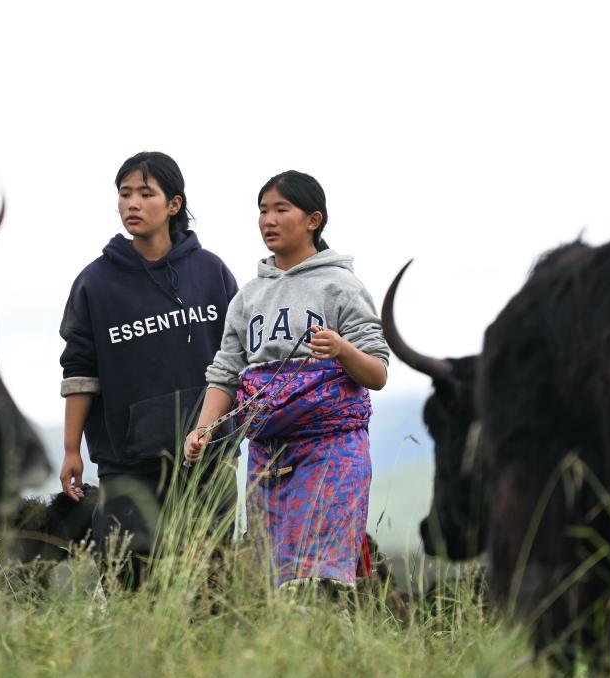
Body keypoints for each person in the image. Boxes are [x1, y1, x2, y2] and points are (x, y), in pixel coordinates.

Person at [184, 170, 389, 592]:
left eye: (281, 209)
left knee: (323, 581)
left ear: (313, 220)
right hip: (268, 456)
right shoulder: (248, 297)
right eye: (263, 210)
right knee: (275, 582)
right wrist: (203, 428)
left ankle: (334, 648)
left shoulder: (342, 287)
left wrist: (341, 350)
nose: (268, 220)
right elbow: (225, 373)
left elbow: (378, 372)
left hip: (333, 451)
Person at [59, 151, 238, 587]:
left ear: (173, 204)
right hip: (127, 464)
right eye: (125, 194)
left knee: (207, 585)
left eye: (145, 193)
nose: (132, 204)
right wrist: (70, 449)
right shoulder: (95, 283)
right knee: (128, 584)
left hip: (208, 461)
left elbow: (237, 361)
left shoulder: (211, 272)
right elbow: (80, 371)